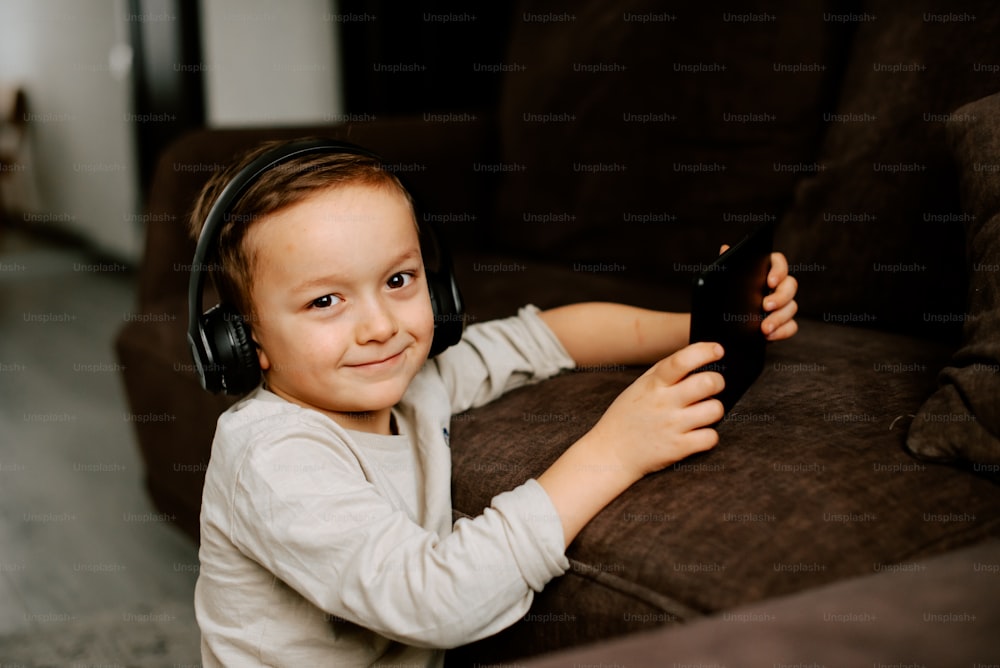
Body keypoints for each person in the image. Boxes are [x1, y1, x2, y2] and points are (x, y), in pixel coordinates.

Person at [190, 139, 799, 667]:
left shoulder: (417, 376)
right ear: (245, 341)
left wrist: (705, 324)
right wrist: (614, 452)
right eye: (325, 301)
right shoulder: (271, 457)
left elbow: (553, 335)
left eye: (399, 281)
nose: (379, 326)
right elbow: (433, 601)